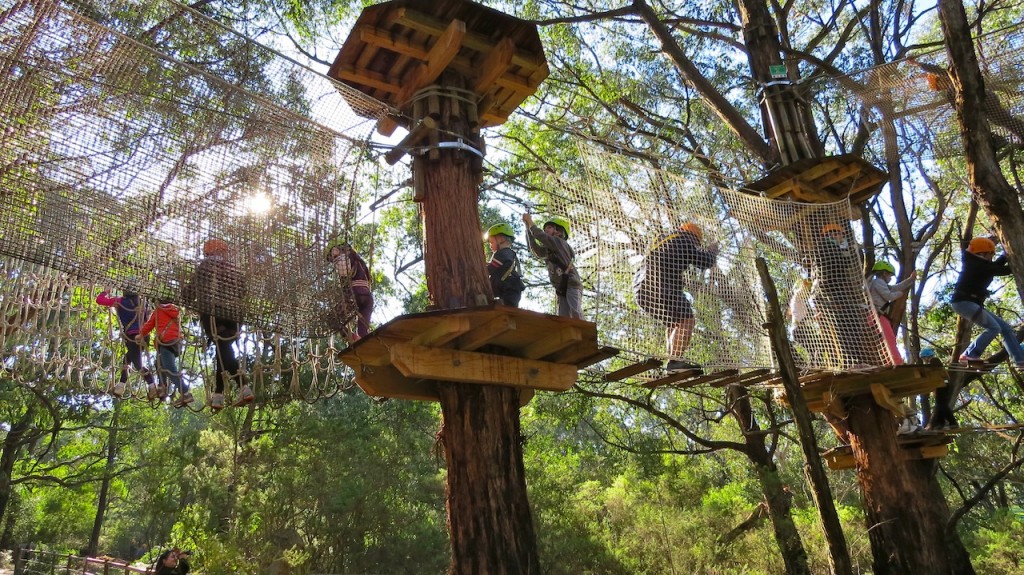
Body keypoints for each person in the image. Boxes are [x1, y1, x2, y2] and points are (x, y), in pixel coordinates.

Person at [635, 222, 718, 374]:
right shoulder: (684, 240)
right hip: (660, 286)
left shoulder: (664, 238)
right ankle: (674, 361)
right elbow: (705, 261)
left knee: (674, 323)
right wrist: (713, 250)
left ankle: (672, 362)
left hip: (641, 291)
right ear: (694, 237)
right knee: (687, 320)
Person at [183, 238, 252, 411]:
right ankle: (218, 394)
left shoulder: (205, 266)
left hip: (214, 313)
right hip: (235, 316)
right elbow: (243, 290)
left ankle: (243, 386)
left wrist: (184, 292)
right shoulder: (234, 269)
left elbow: (189, 294)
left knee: (223, 350)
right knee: (223, 350)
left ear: (207, 252)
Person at [812, 223, 883, 366]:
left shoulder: (831, 247)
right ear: (829, 235)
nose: (838, 237)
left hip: (837, 292)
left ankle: (855, 360)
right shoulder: (825, 246)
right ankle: (850, 361)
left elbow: (844, 262)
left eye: (840, 234)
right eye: (836, 234)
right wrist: (846, 251)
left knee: (851, 326)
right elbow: (840, 263)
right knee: (844, 327)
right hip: (832, 292)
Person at [950, 236, 1024, 367]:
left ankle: (1020, 360)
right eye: (991, 254)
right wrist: (1014, 259)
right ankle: (969, 355)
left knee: (1005, 328)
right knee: (993, 327)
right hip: (963, 302)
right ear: (982, 254)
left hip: (969, 302)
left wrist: (1006, 254)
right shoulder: (975, 265)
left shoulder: (977, 262)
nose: (991, 257)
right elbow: (999, 270)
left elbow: (994, 267)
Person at [95, 288, 155, 397]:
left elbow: (100, 300)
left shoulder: (120, 301)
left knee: (137, 363)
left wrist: (105, 291)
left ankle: (151, 384)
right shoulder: (144, 302)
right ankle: (121, 385)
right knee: (127, 359)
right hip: (145, 336)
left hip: (132, 336)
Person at [523, 213, 581, 319]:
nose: (545, 230)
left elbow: (540, 236)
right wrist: (527, 228)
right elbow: (535, 249)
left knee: (575, 312)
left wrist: (530, 222)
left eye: (549, 228)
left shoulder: (559, 243)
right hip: (562, 287)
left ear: (559, 231)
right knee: (564, 318)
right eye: (544, 229)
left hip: (572, 283)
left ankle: (582, 331)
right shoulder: (549, 250)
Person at [138, 298, 191, 407]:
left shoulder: (158, 311)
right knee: (159, 362)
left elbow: (149, 325)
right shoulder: (174, 310)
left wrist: (140, 334)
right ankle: (162, 386)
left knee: (169, 368)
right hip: (176, 342)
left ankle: (185, 392)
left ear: (158, 303)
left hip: (165, 342)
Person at [866, 261, 916, 365]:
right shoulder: (878, 282)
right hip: (878, 316)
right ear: (884, 273)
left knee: (880, 341)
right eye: (890, 275)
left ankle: (887, 362)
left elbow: (895, 287)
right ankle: (896, 363)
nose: (891, 278)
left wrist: (910, 280)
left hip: (873, 316)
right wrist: (901, 294)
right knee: (889, 339)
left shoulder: (877, 282)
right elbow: (889, 296)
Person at [327, 241, 374, 341]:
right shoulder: (360, 262)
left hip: (355, 295)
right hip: (367, 298)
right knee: (363, 333)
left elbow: (344, 270)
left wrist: (336, 256)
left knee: (332, 319)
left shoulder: (344, 258)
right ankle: (360, 340)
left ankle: (353, 337)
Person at [485, 223, 525, 307]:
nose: (490, 246)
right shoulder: (508, 253)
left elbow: (489, 269)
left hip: (509, 290)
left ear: (501, 239)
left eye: (491, 242)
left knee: (506, 308)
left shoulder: (503, 253)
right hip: (509, 290)